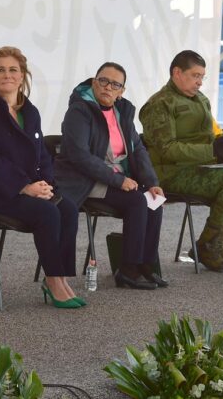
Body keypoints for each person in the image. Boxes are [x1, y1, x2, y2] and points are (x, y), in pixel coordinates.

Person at [0, 47, 82, 308]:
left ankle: (62, 277)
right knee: (46, 214)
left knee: (67, 207)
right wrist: (24, 187)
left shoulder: (29, 111)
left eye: (13, 70)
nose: (7, 75)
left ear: (22, 76)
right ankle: (54, 281)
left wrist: (46, 185)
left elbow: (41, 155)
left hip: (24, 188)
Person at [139, 50, 223, 273]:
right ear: (177, 73)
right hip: (170, 173)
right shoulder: (160, 104)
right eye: (195, 75)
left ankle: (211, 242)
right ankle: (209, 246)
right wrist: (212, 150)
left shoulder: (201, 100)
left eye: (202, 77)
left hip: (200, 167)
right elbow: (167, 149)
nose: (200, 82)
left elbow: (209, 137)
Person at [55, 62, 166, 290]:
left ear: (121, 91)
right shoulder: (80, 110)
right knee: (136, 201)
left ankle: (147, 265)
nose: (108, 87)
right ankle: (128, 270)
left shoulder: (122, 112)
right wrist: (118, 180)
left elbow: (138, 149)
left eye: (115, 84)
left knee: (154, 201)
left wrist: (152, 182)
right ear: (94, 82)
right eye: (103, 81)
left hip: (116, 177)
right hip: (83, 179)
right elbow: (80, 157)